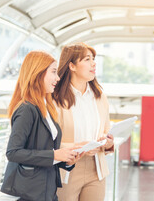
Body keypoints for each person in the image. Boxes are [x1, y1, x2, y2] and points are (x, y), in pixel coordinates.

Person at [1, 51, 83, 201]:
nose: (57, 78)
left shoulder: (46, 108)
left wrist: (66, 161)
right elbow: (13, 152)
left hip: (47, 189)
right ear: (37, 73)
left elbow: (44, 151)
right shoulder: (26, 109)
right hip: (30, 192)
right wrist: (54, 155)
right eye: (53, 72)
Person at [53, 42, 114, 201]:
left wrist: (107, 142)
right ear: (72, 66)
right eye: (87, 59)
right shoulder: (56, 98)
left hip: (97, 169)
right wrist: (78, 148)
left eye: (93, 59)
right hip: (67, 169)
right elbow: (49, 141)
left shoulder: (99, 96)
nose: (93, 63)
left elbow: (106, 130)